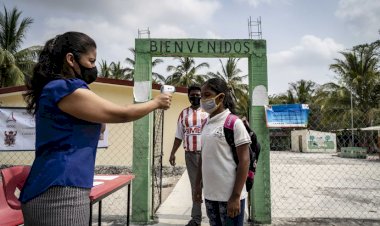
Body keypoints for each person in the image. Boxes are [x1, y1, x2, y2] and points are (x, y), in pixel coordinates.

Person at [21, 31, 172, 226]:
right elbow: (122, 113)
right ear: (70, 59)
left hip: (62, 186)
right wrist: (157, 102)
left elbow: (98, 126)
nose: (93, 67)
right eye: (91, 61)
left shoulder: (61, 89)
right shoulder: (64, 88)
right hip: (60, 190)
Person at [194, 78, 251, 226]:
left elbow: (245, 161)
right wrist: (197, 184)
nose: (203, 99)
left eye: (207, 94)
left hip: (230, 197)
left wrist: (236, 196)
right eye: (202, 96)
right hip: (210, 196)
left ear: (220, 97)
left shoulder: (234, 123)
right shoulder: (206, 124)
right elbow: (203, 156)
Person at [169, 84, 208, 226]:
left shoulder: (208, 112)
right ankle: (196, 219)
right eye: (193, 95)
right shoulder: (183, 114)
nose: (195, 97)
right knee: (195, 187)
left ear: (202, 96)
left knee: (210, 186)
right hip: (190, 155)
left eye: (198, 95)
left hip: (208, 155)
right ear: (188, 96)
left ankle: (214, 217)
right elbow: (179, 136)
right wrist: (173, 152)